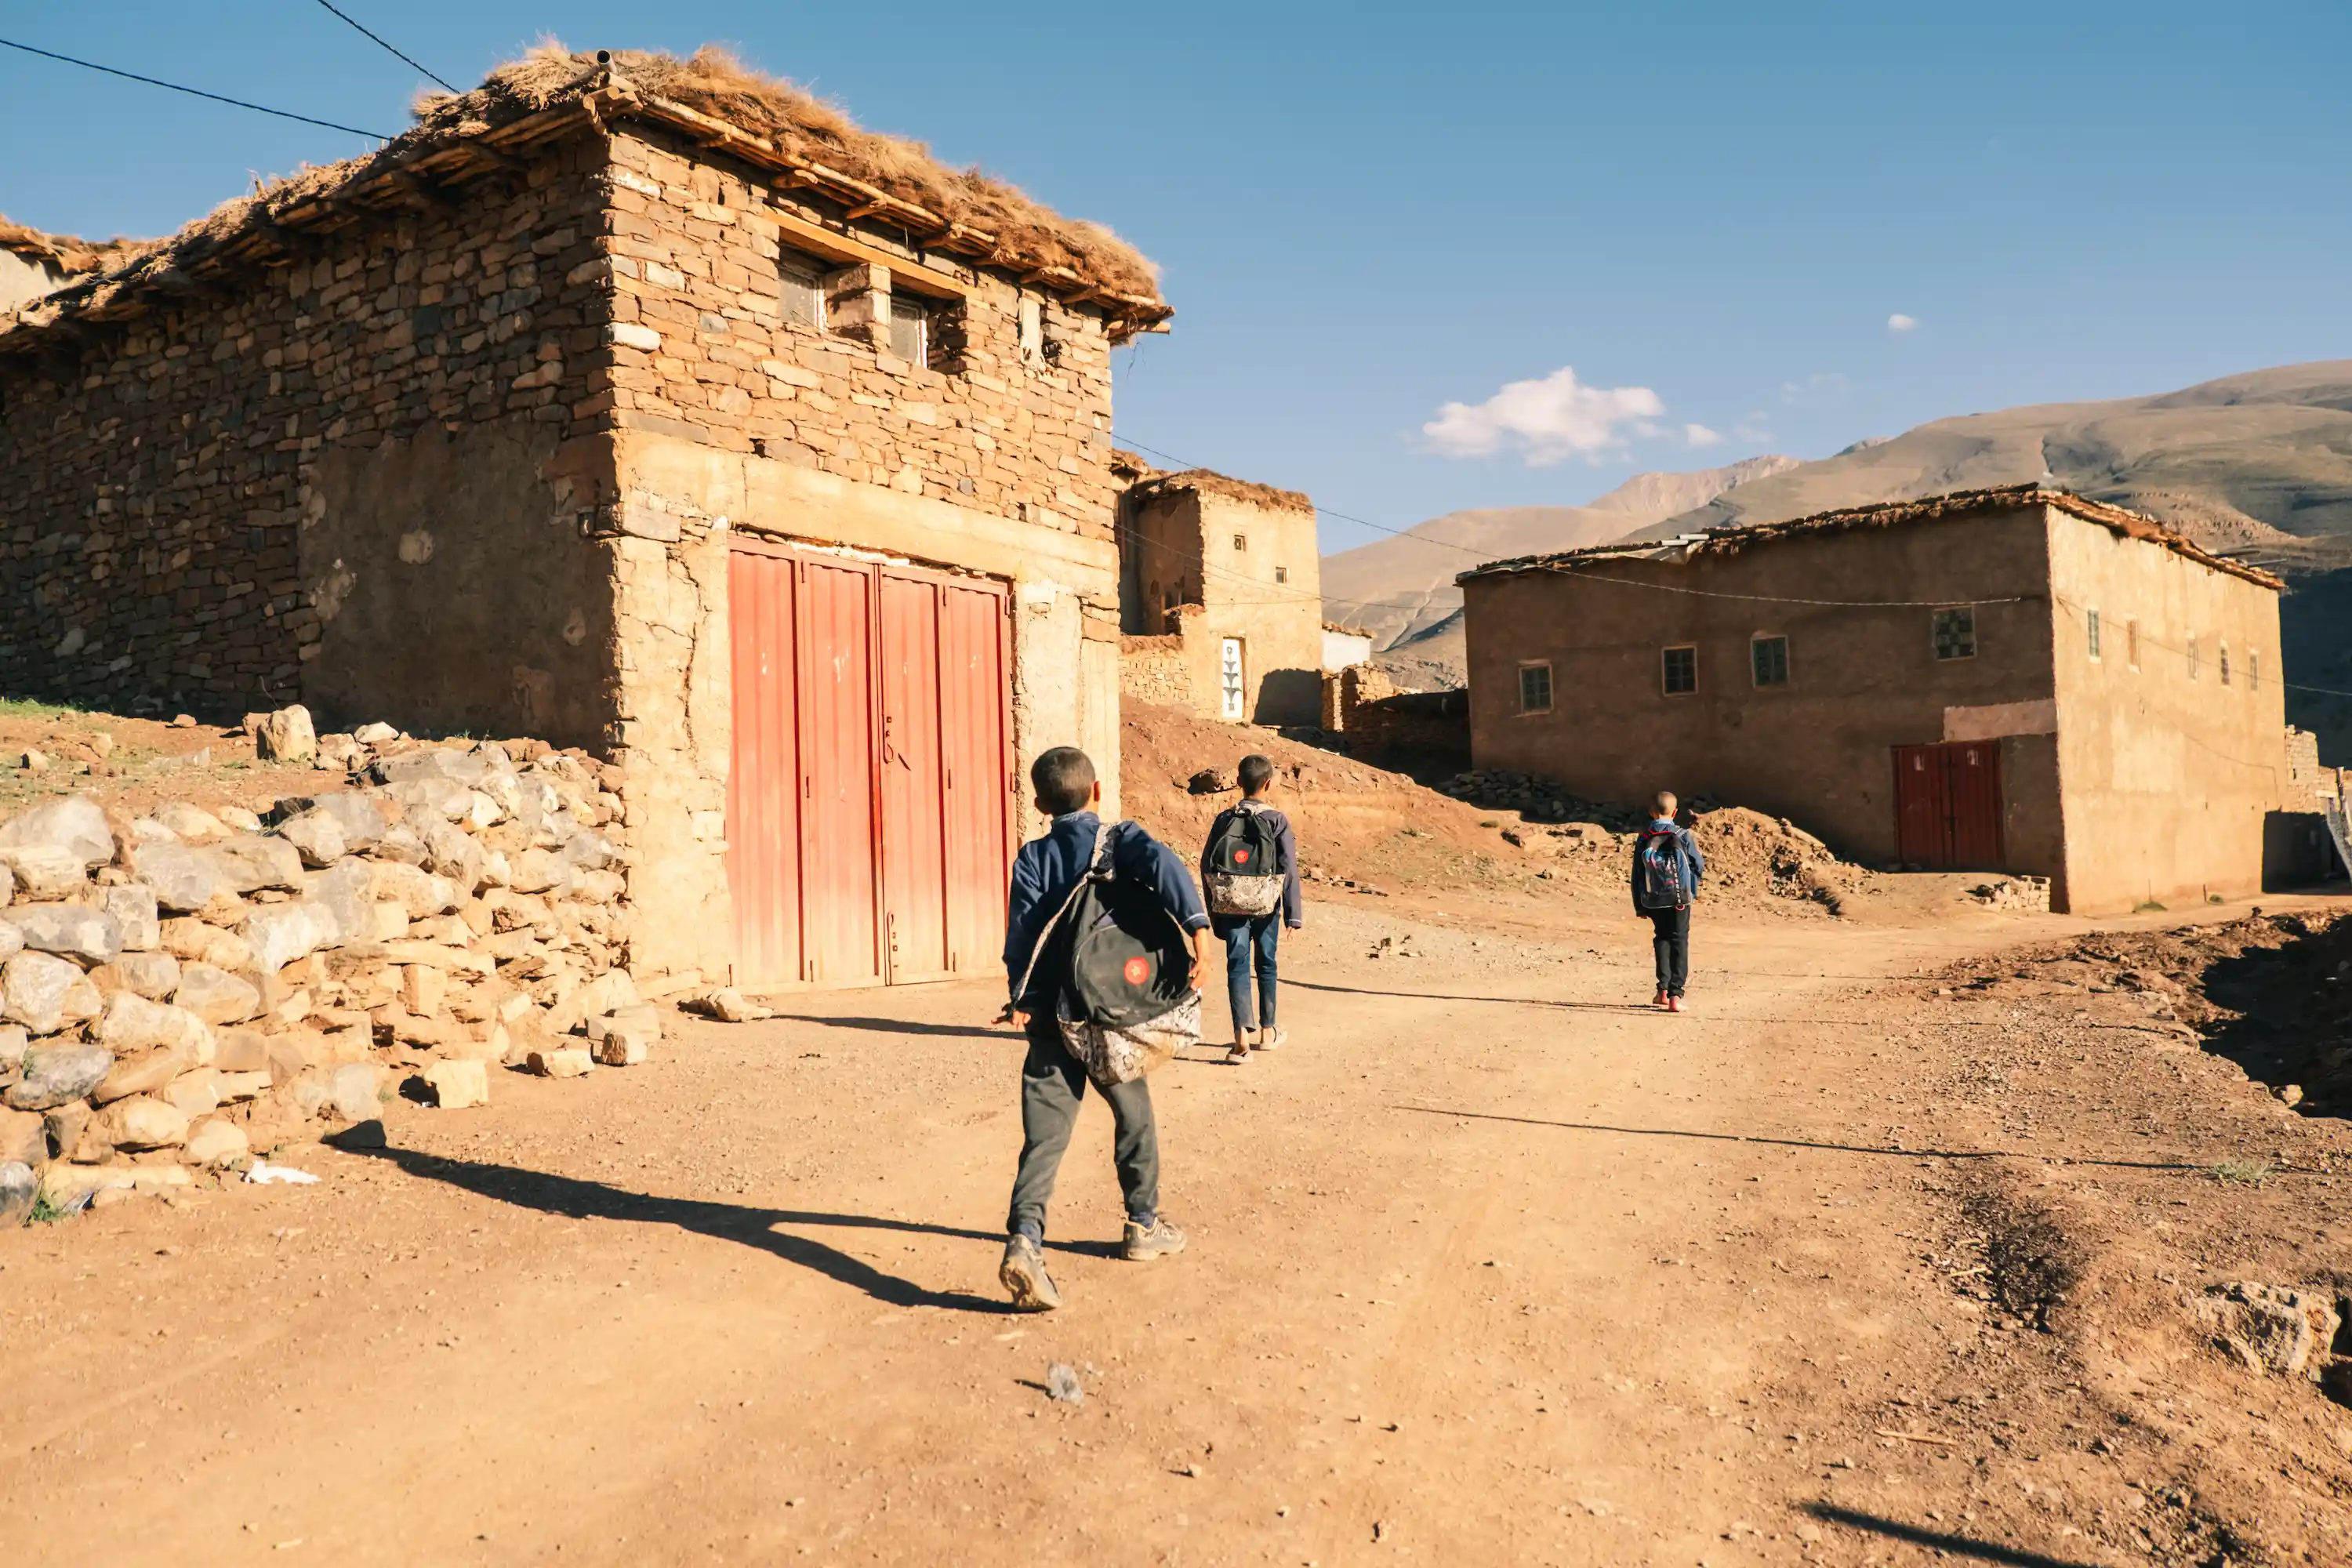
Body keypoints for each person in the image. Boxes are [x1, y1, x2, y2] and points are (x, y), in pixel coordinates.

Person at [996, 746, 1207, 1312]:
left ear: (1040, 803)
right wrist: (1198, 935)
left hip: (1051, 1015)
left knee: (1044, 1136)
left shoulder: (1033, 857)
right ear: (1096, 792)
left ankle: (1025, 1240)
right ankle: (1142, 1224)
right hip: (1109, 1014)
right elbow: (1165, 867)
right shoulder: (1119, 839)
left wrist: (1023, 998)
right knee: (1134, 1116)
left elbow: (1022, 934)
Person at [1200, 753, 1302, 1064]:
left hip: (1230, 905)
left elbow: (1206, 864)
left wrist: (1214, 908)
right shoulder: (1277, 820)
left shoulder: (1223, 820)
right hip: (1266, 905)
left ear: (1238, 783)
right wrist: (1292, 914)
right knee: (1267, 963)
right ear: (1268, 784)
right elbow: (1289, 868)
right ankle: (1267, 1032)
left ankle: (1240, 1040)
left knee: (1237, 965)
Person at [1632, 790, 1705, 1012]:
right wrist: (1692, 888)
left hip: (1653, 899)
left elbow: (1637, 874)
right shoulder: (1682, 834)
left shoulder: (1644, 837)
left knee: (1661, 938)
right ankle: (1676, 995)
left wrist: (1640, 905)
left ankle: (1662, 991)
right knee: (1679, 941)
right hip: (1680, 898)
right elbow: (1697, 865)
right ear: (1674, 812)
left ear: (1651, 812)